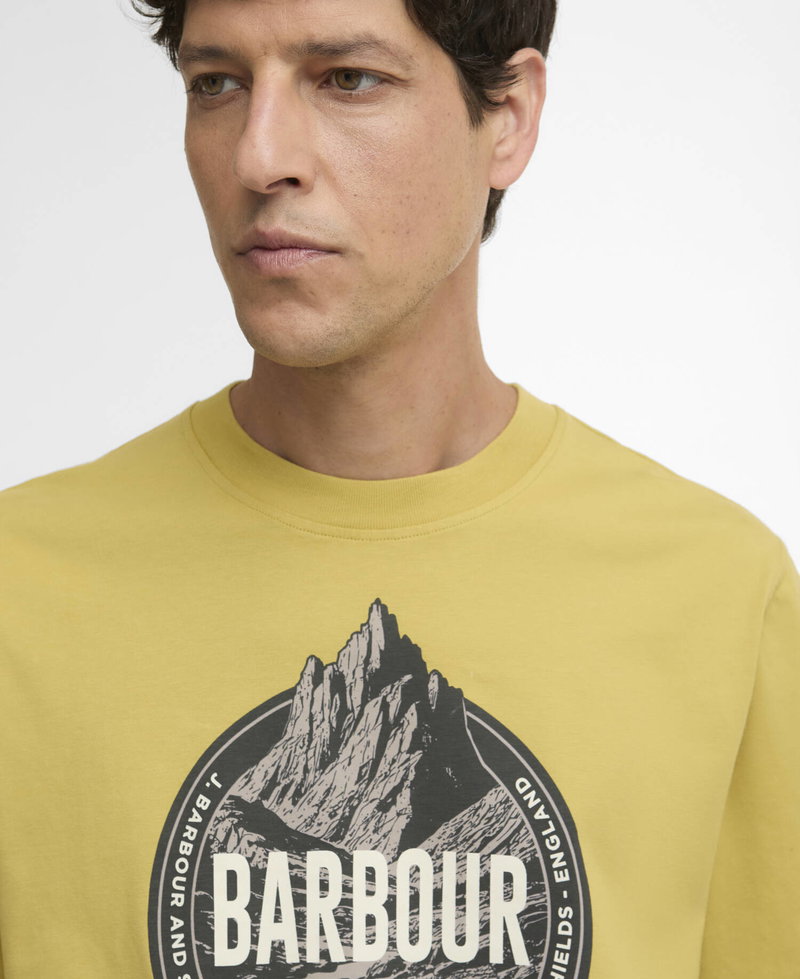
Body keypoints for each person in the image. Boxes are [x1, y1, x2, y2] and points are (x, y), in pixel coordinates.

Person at [0, 0, 797, 976]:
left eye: (347, 79)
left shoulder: (718, 594)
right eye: (217, 83)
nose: (259, 156)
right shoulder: (19, 592)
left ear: (507, 117)